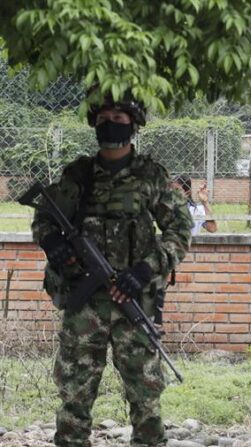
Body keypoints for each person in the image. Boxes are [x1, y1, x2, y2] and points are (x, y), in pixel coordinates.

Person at [31, 91, 193, 447]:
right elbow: (44, 218)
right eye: (104, 118)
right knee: (74, 390)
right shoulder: (78, 175)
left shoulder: (151, 175)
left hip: (133, 299)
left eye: (119, 119)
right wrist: (53, 243)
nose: (111, 125)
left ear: (133, 125)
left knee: (146, 391)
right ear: (94, 123)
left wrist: (145, 270)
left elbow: (180, 231)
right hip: (84, 302)